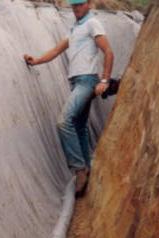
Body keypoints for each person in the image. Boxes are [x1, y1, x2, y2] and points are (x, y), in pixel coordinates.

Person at [23, 0, 114, 196]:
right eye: (74, 6)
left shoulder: (93, 23)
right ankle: (87, 169)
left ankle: (79, 170)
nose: (76, 8)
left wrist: (105, 80)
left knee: (64, 122)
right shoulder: (74, 29)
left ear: (88, 4)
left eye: (80, 5)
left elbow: (108, 51)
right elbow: (56, 50)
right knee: (79, 126)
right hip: (75, 82)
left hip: (87, 81)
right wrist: (36, 60)